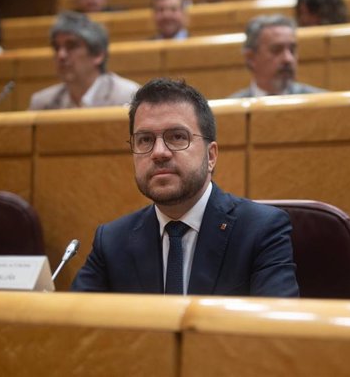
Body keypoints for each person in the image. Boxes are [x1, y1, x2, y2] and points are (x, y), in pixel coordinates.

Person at [71, 77, 299, 297]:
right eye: (145, 140)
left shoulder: (261, 230)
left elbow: (276, 333)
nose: (159, 152)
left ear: (211, 156)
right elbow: (71, 325)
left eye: (177, 137)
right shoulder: (111, 241)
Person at [28, 12, 140, 110]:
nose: (61, 55)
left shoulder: (127, 96)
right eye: (57, 48)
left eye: (71, 46)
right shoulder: (42, 103)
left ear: (97, 55)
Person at [229, 15, 326, 98]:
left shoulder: (323, 103)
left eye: (292, 50)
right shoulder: (230, 111)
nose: (288, 59)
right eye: (276, 50)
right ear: (251, 58)